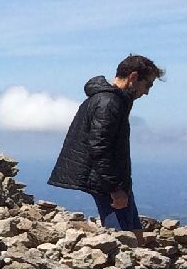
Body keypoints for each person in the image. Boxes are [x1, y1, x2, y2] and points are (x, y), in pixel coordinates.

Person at [46, 53, 164, 232]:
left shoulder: (113, 100)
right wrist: (115, 189)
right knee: (123, 238)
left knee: (134, 233)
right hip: (106, 183)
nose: (147, 92)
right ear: (133, 77)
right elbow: (100, 148)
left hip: (113, 181)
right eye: (147, 84)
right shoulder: (109, 102)